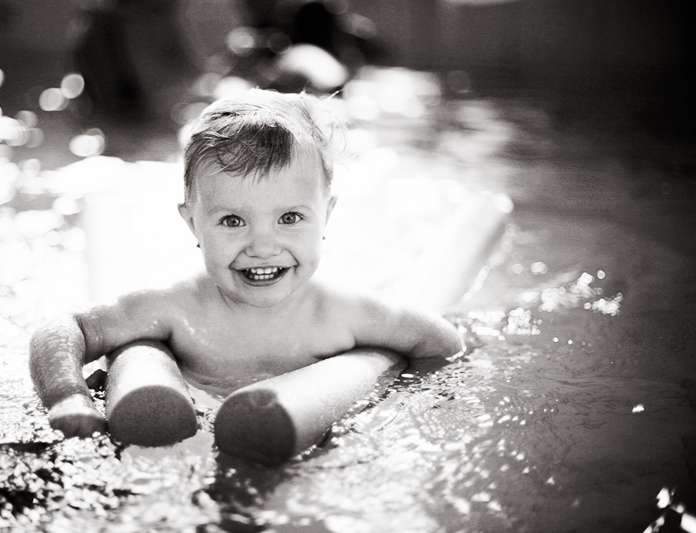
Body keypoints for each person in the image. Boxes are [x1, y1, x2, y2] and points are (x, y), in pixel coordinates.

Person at [29, 89, 463, 439]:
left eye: (290, 218)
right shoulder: (179, 309)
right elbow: (66, 328)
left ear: (326, 216)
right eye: (233, 221)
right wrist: (68, 396)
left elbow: (442, 342)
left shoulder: (343, 314)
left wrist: (404, 403)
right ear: (193, 224)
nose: (263, 246)